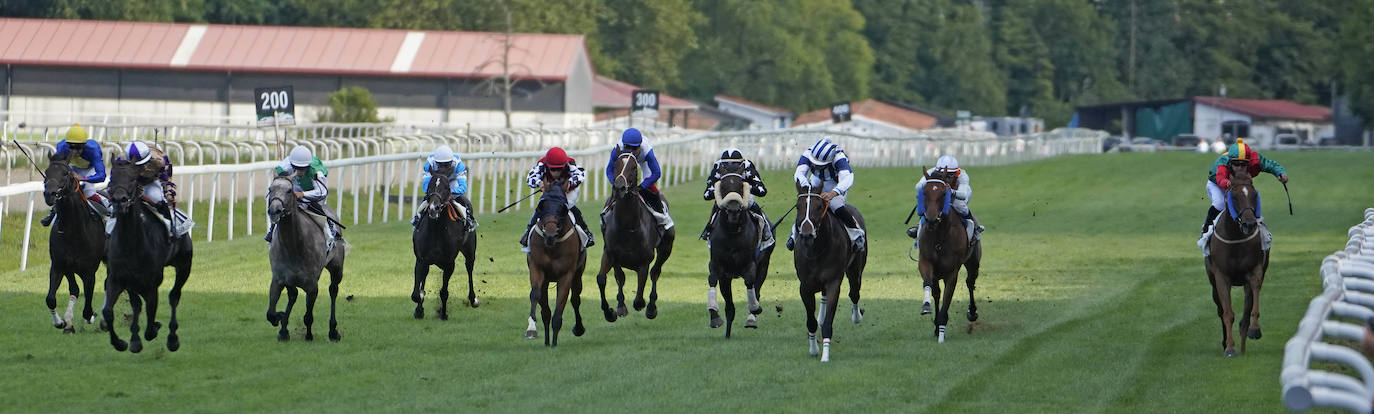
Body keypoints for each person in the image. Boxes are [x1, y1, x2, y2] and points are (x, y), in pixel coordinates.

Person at [1197, 138, 1288, 251]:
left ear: (1249, 161)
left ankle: (1262, 232)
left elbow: (1271, 165)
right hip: (1217, 184)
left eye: (1244, 164)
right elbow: (1220, 179)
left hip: (1240, 184)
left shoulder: (1255, 159)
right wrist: (1228, 183)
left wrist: (1280, 173)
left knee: (1250, 198)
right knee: (1220, 204)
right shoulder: (1223, 163)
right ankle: (1206, 232)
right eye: (1236, 164)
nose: (1240, 168)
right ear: (1230, 162)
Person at [787, 137, 864, 251]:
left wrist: (833, 193)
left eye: (820, 165)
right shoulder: (809, 153)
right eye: (815, 164)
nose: (816, 166)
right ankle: (794, 234)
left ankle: (855, 233)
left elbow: (848, 178)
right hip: (817, 179)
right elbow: (799, 173)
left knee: (835, 205)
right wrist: (807, 188)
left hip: (836, 183)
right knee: (807, 204)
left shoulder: (839, 158)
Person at [521, 147, 594, 252]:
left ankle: (586, 232)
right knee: (541, 207)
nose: (556, 172)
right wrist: (539, 183)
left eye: (559, 169)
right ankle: (528, 232)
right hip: (550, 192)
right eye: (553, 169)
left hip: (567, 192)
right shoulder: (541, 165)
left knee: (568, 206)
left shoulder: (570, 165)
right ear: (547, 165)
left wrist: (571, 182)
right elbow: (530, 178)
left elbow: (582, 174)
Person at [266, 146, 342, 245]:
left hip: (314, 191)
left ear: (308, 166)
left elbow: (322, 192)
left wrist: (303, 194)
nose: (299, 172)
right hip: (294, 189)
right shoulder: (284, 166)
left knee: (315, 207)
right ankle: (271, 230)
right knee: (277, 205)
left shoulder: (316, 172)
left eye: (302, 169)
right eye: (296, 168)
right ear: (291, 164)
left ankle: (330, 230)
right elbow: (278, 182)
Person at [604, 128, 673, 231]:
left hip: (643, 162)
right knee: (618, 187)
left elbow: (656, 173)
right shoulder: (618, 149)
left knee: (650, 187)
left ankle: (662, 213)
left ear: (640, 146)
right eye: (628, 147)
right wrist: (615, 183)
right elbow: (609, 169)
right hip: (625, 161)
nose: (631, 151)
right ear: (624, 145)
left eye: (634, 148)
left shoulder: (646, 150)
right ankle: (606, 211)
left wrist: (642, 186)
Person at [41, 124, 109, 226]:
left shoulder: (93, 149)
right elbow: (55, 166)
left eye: (78, 147)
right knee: (63, 191)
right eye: (71, 147)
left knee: (88, 191)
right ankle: (53, 212)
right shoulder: (62, 146)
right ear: (67, 144)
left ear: (84, 145)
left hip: (89, 169)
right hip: (72, 167)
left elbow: (101, 176)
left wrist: (84, 178)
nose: (74, 151)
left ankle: (108, 211)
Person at [699, 148, 771, 246]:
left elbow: (761, 190)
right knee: (716, 211)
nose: (731, 168)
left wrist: (745, 187)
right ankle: (709, 229)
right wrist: (720, 191)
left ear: (741, 164)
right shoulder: (718, 166)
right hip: (724, 200)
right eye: (727, 165)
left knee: (754, 207)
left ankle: (766, 231)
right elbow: (707, 194)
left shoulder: (747, 165)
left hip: (744, 198)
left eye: (734, 165)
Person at [909, 155, 983, 248]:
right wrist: (929, 184)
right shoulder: (931, 172)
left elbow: (963, 194)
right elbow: (918, 186)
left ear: (956, 173)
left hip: (958, 193)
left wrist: (951, 191)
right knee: (931, 205)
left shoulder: (962, 176)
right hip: (941, 193)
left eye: (949, 175)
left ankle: (975, 226)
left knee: (959, 206)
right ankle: (919, 230)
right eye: (943, 174)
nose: (946, 178)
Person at [123, 140, 192, 237]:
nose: (140, 168)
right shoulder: (121, 162)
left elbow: (167, 180)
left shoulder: (160, 160)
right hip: (130, 183)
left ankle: (173, 226)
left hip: (150, 182)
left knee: (156, 197)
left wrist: (169, 196)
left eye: (142, 164)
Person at [411, 145, 476, 229]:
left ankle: (469, 219)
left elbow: (463, 188)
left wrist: (447, 192)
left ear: (451, 162)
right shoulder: (429, 164)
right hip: (436, 183)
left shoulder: (459, 165)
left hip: (452, 183)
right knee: (426, 200)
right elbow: (426, 187)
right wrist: (436, 192)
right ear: (436, 162)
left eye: (446, 164)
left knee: (464, 200)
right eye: (440, 165)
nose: (443, 168)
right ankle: (418, 218)